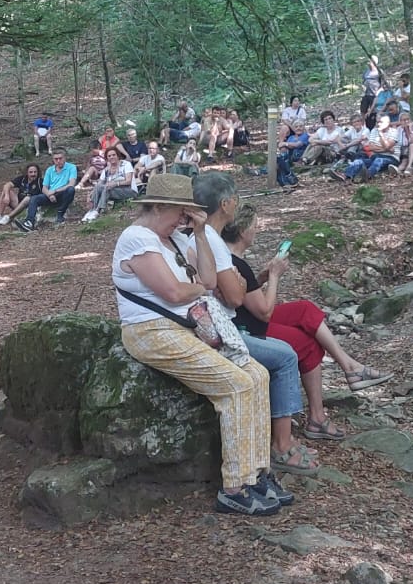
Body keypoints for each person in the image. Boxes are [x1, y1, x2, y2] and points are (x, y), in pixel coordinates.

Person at [111, 174, 288, 516]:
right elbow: (176, 292)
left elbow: (207, 280)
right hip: (152, 331)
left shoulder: (175, 238)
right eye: (180, 211)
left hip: (190, 325)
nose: (184, 219)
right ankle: (234, 486)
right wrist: (197, 290)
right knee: (236, 385)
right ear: (159, 206)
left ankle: (256, 472)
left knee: (258, 375)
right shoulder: (137, 238)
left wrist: (202, 233)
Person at [222, 204, 392, 441]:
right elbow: (264, 312)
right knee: (308, 345)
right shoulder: (234, 262)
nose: (256, 231)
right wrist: (273, 277)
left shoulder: (228, 257)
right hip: (248, 327)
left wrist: (260, 278)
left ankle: (349, 366)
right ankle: (317, 418)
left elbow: (245, 295)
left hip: (245, 316)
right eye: (254, 227)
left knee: (305, 309)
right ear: (242, 231)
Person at [192, 174, 321, 478]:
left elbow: (231, 290)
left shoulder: (205, 238)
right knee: (286, 356)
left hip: (223, 323)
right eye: (234, 198)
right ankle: (282, 444)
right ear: (225, 204)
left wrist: (240, 284)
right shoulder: (213, 240)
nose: (237, 203)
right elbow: (236, 298)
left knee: (291, 340)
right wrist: (262, 279)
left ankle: (298, 429)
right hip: (223, 330)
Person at [22, 149, 78, 230]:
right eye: (56, 159)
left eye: (60, 158)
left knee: (70, 190)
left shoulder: (72, 167)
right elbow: (44, 187)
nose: (58, 161)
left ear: (64, 158)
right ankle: (29, 222)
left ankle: (60, 213)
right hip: (50, 195)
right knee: (34, 198)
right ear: (53, 160)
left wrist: (54, 191)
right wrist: (49, 195)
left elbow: (71, 184)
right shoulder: (50, 170)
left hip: (63, 193)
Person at [335, 115, 400, 182]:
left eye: (381, 122)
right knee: (358, 161)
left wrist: (381, 135)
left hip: (391, 158)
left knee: (379, 160)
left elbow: (387, 145)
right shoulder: (374, 131)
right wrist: (387, 149)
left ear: (388, 123)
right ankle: (345, 175)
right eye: (377, 122)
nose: (378, 124)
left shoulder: (394, 132)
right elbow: (371, 147)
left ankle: (367, 175)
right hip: (375, 156)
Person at [81, 145, 137, 223]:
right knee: (99, 186)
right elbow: (99, 184)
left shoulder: (126, 164)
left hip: (129, 191)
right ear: (107, 158)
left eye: (114, 155)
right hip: (113, 190)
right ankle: (92, 210)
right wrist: (91, 193)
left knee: (107, 188)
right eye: (109, 156)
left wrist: (115, 184)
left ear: (118, 155)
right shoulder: (107, 169)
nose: (112, 157)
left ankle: (98, 210)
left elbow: (128, 181)